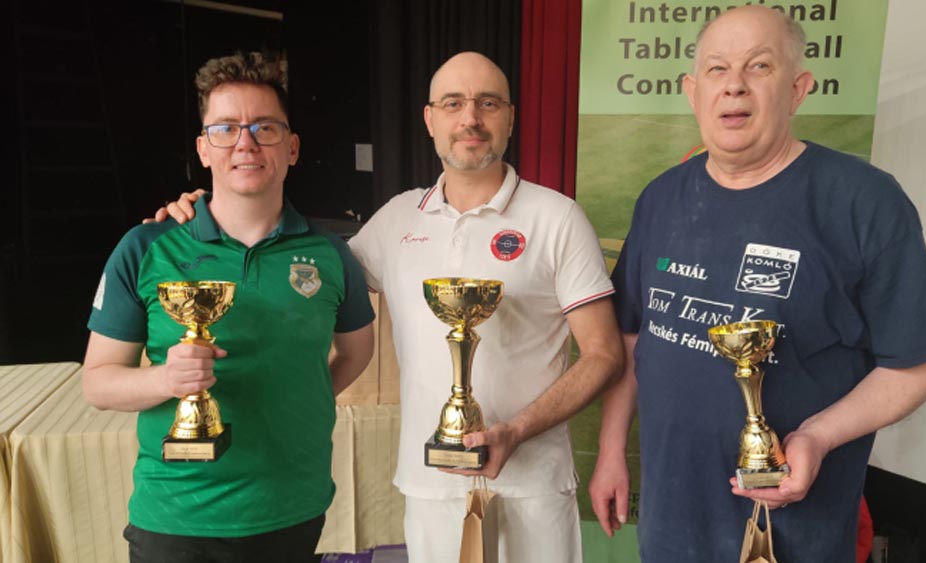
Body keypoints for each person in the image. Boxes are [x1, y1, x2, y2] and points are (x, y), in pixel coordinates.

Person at [154, 51, 624, 563]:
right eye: (453, 103)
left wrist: (516, 430)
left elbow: (603, 355)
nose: (470, 118)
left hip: (532, 485)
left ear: (510, 117)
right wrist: (208, 212)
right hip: (430, 486)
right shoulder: (397, 219)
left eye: (488, 103)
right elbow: (302, 278)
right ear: (430, 119)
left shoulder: (557, 217)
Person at [587, 6, 926, 562]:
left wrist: (818, 435)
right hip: (671, 523)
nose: (734, 86)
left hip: (795, 527)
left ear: (798, 89)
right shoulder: (662, 197)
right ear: (693, 91)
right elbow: (632, 338)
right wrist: (610, 452)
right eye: (717, 69)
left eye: (759, 66)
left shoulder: (862, 200)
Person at [83, 51, 375, 563]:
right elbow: (98, 383)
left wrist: (300, 399)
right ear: (204, 148)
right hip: (177, 518)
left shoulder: (331, 254)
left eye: (265, 128)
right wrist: (167, 380)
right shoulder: (146, 247)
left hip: (293, 509)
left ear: (292, 147)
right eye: (226, 129)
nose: (246, 143)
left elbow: (356, 351)